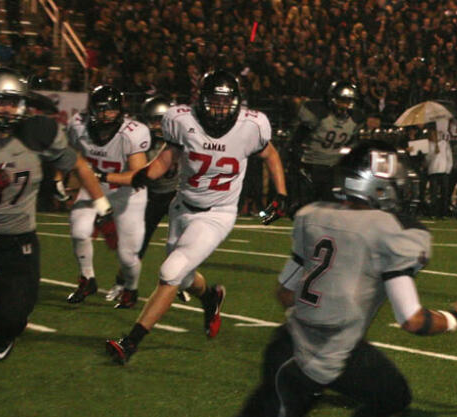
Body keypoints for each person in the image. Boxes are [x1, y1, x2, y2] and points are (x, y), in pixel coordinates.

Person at [122, 142, 457, 417]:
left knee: (392, 393)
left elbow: (285, 294)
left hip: (325, 343)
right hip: (304, 358)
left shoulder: (313, 214)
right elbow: (412, 319)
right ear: (378, 186)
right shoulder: (390, 232)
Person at [103, 70, 289, 364]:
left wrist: (281, 194)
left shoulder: (251, 126)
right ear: (200, 100)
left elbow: (271, 155)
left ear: (236, 103)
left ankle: (131, 343)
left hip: (217, 214)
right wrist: (117, 177)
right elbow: (160, 165)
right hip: (182, 207)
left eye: (224, 102)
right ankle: (211, 297)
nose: (218, 108)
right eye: (213, 101)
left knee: (170, 271)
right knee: (184, 276)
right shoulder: (182, 120)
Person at [0, 66, 106, 360]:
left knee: (14, 317)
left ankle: (7, 333)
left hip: (18, 240)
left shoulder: (37, 132)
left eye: (13, 102)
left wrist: (102, 207)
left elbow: (77, 164)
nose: (6, 110)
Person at [65, 85, 151, 308]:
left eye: (110, 110)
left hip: (128, 195)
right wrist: (59, 177)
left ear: (120, 110)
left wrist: (102, 175)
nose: (105, 115)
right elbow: (69, 153)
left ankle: (130, 289)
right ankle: (87, 279)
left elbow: (138, 176)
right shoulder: (78, 124)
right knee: (79, 230)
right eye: (100, 110)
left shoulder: (133, 132)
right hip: (94, 187)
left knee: (127, 255)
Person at [288, 80, 363, 207]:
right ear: (332, 99)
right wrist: (298, 163)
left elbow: (353, 144)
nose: (344, 105)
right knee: (306, 205)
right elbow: (296, 141)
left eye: (347, 102)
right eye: (341, 101)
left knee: (330, 205)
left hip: (333, 167)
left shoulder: (355, 121)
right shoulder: (318, 115)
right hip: (311, 165)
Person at [136, 96, 180, 260]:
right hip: (152, 195)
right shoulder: (143, 142)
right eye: (152, 121)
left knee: (181, 246)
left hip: (178, 195)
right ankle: (125, 283)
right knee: (138, 242)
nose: (156, 126)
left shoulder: (183, 139)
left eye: (159, 120)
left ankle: (194, 285)